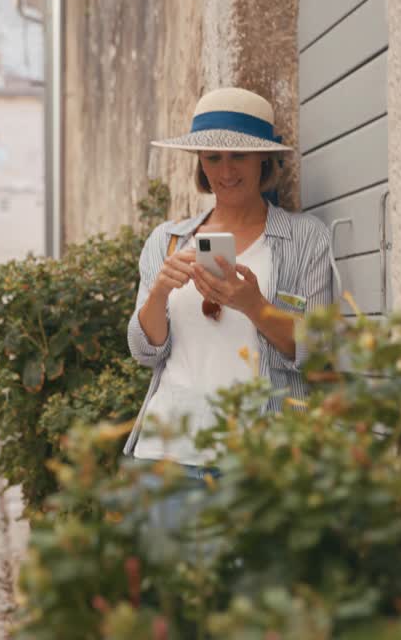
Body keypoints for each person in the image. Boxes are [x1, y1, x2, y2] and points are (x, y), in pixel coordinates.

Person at [124, 87, 335, 536]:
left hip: (262, 461)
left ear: (264, 162)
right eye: (212, 157)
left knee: (253, 603)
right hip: (168, 455)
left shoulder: (305, 240)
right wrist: (160, 291)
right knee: (174, 601)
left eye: (238, 155)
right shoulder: (167, 240)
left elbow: (321, 352)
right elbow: (144, 351)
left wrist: (255, 307)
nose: (225, 170)